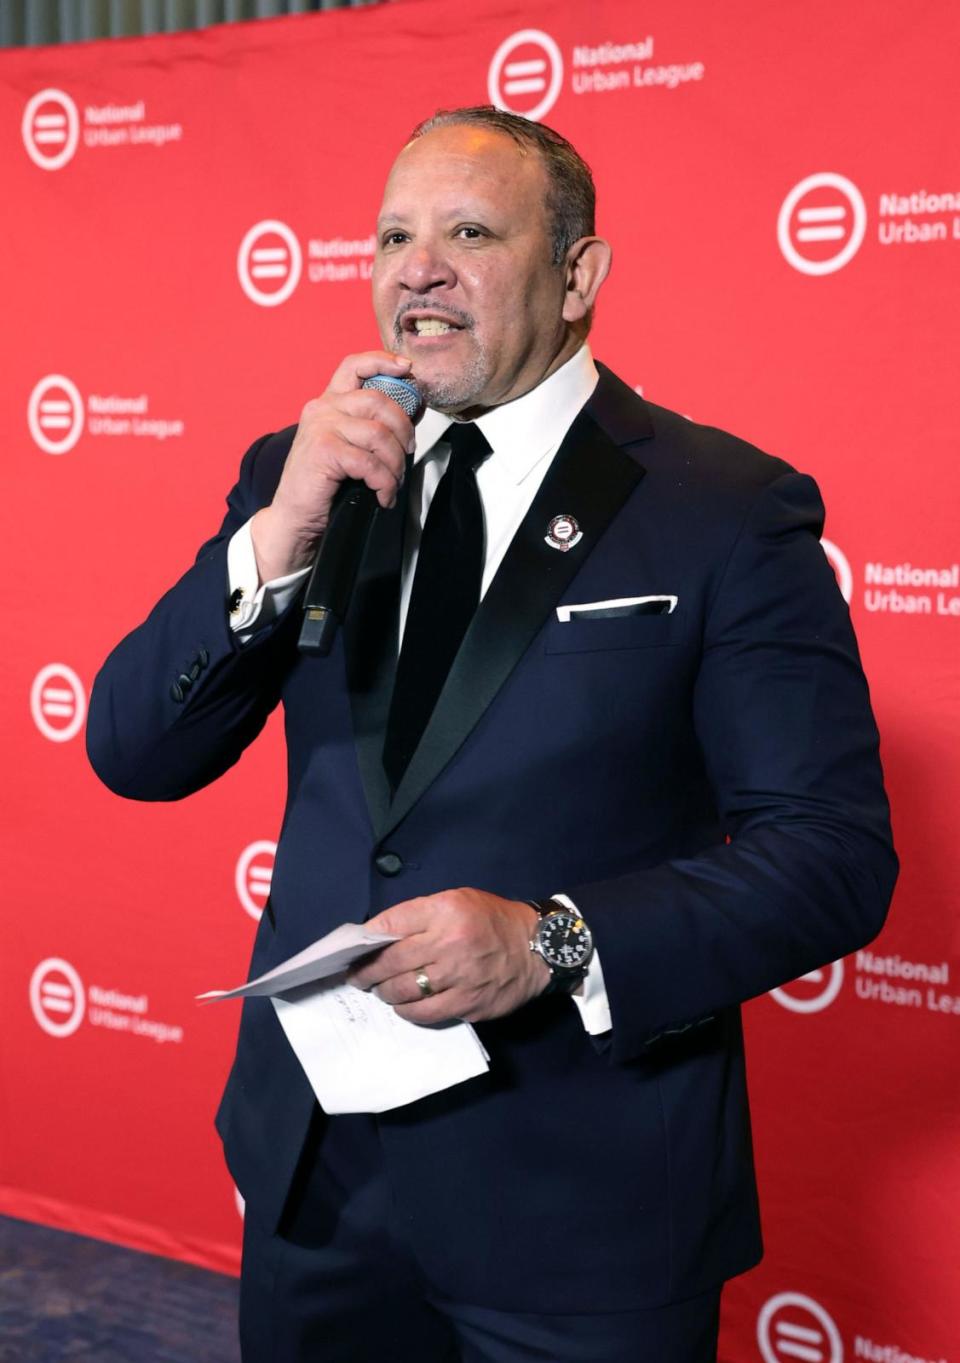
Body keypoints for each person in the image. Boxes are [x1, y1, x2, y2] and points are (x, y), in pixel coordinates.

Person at [87, 107, 897, 1362]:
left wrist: (552, 943)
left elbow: (833, 856)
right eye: (395, 235)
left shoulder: (726, 510)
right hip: (317, 1183)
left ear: (578, 276)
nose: (419, 266)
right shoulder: (303, 475)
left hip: (584, 1209)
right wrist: (275, 536)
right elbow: (134, 753)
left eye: (470, 230)